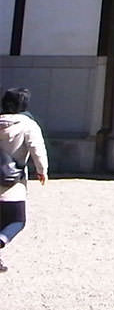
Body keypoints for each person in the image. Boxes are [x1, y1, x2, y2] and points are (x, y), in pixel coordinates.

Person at [0, 88, 50, 272]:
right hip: (13, 184)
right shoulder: (28, 125)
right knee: (17, 220)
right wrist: (42, 170)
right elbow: (37, 148)